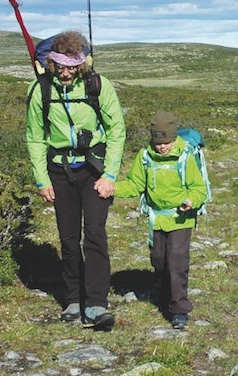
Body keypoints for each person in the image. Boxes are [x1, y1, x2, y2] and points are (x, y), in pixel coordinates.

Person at [25, 30, 126, 331]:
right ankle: (72, 297)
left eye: (72, 66)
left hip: (94, 170)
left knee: (94, 233)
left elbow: (117, 130)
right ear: (51, 63)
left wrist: (110, 175)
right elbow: (35, 138)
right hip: (59, 171)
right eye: (61, 66)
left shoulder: (98, 85)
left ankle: (96, 303)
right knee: (68, 238)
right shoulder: (40, 90)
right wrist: (41, 179)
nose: (67, 73)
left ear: (82, 64)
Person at [116, 112, 207, 330]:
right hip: (157, 219)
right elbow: (134, 184)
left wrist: (191, 201)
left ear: (174, 138)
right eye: (158, 142)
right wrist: (111, 188)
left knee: (176, 261)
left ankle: (179, 310)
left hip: (180, 218)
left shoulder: (185, 156)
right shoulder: (145, 157)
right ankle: (165, 294)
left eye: (166, 142)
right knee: (159, 260)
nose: (162, 147)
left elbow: (199, 188)